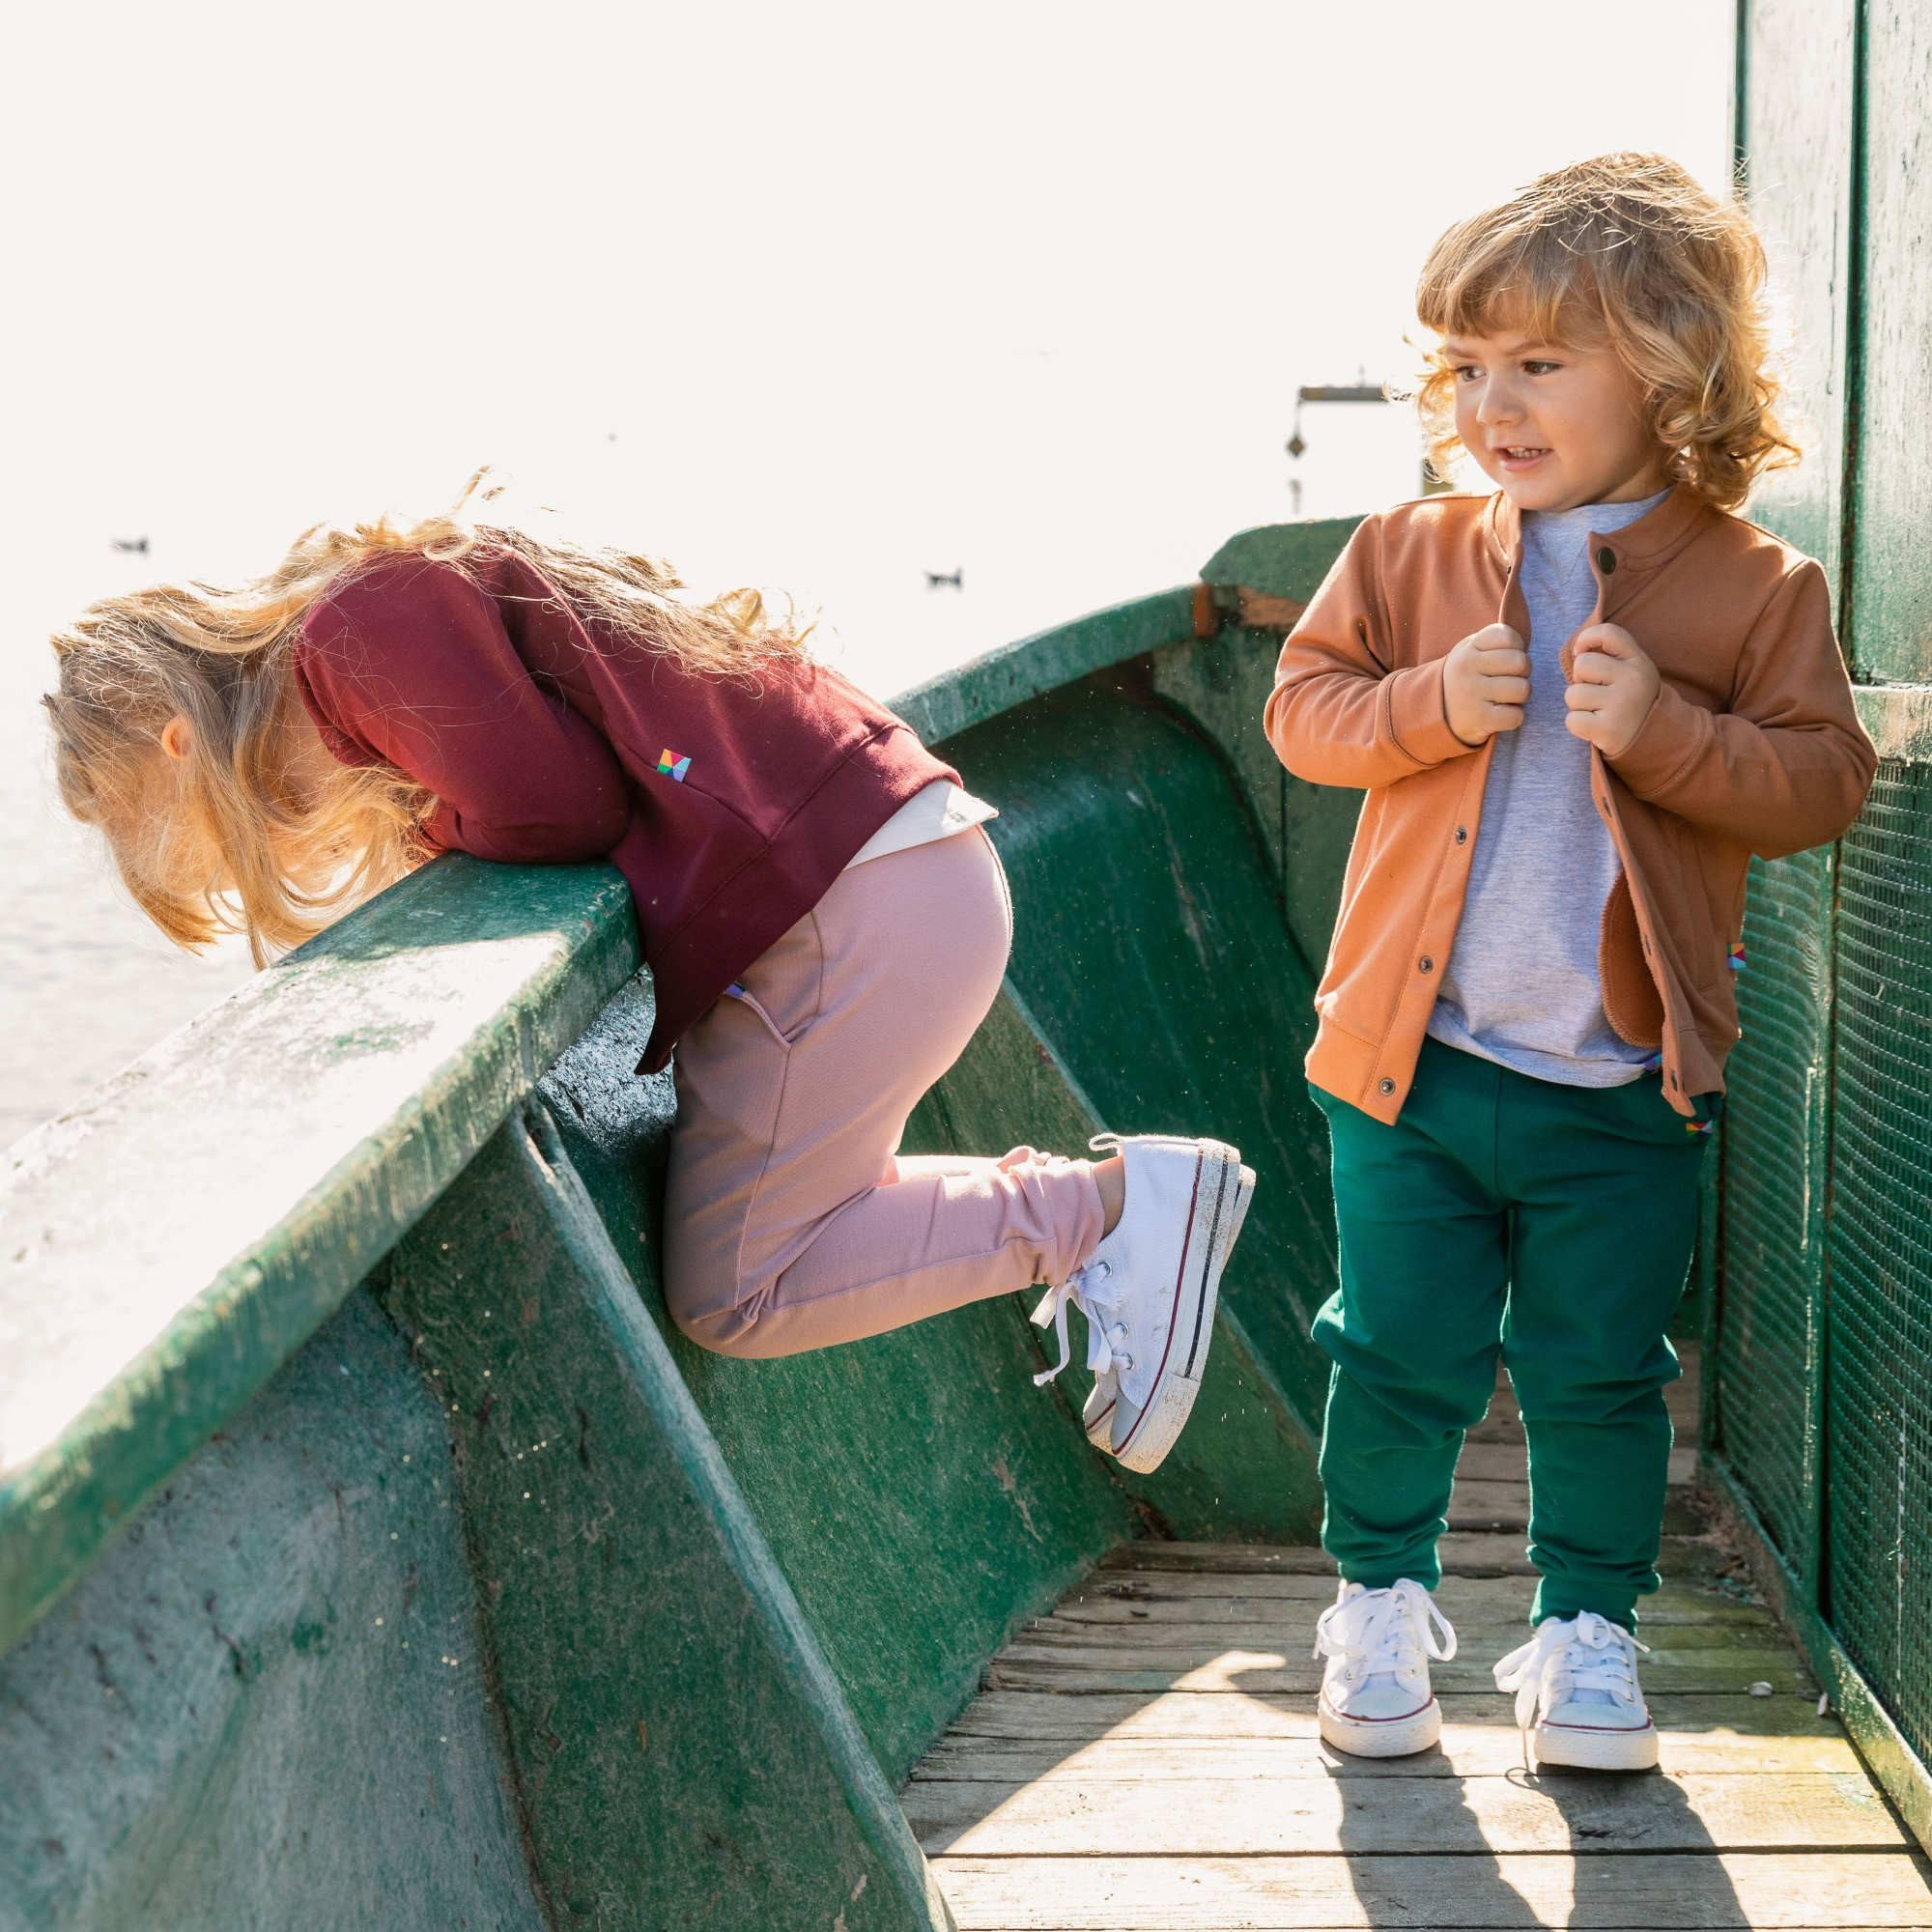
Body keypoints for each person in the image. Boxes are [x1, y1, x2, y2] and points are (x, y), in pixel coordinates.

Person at [43, 475, 1255, 1476]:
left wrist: (433, 838)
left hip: (849, 915)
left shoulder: (351, 642)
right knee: (796, 1227)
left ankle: (1107, 1214)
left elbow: (549, 804)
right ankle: (1105, 1210)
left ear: (174, 738)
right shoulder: (375, 624)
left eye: (166, 822)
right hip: (889, 884)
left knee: (742, 1287)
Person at [1264, 153, 1877, 1770]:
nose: (1496, 400)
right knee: (1391, 1351)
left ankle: (1588, 1638)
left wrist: (1666, 735)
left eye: (1541, 361)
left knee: (1600, 1374)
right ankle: (1379, 1607)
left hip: (1620, 1084)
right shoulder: (1405, 550)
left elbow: (1822, 778)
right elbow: (1300, 713)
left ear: (1670, 368)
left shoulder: (1757, 586)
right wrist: (1426, 707)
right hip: (1412, 1070)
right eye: (1469, 365)